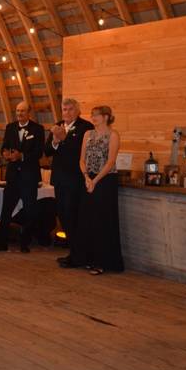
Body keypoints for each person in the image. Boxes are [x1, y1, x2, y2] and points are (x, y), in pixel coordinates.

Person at [44, 98, 94, 267]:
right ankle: (73, 252)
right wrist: (55, 141)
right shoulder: (58, 126)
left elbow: (82, 151)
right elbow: (47, 151)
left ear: (78, 111)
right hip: (59, 179)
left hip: (75, 179)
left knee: (74, 216)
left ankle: (79, 255)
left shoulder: (85, 127)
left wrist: (64, 138)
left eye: (70, 109)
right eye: (64, 109)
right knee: (63, 216)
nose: (67, 112)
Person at [75, 106, 124, 275]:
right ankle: (88, 258)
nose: (93, 118)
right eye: (92, 115)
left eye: (96, 115)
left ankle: (103, 261)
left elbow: (111, 162)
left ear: (106, 117)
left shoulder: (113, 135)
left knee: (103, 221)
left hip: (105, 180)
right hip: (88, 179)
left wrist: (95, 180)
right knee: (87, 220)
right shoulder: (87, 134)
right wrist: (87, 177)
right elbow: (81, 160)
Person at [0, 101, 44, 253]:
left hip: (29, 176)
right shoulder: (10, 127)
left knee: (29, 210)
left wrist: (22, 156)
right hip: (13, 175)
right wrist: (5, 153)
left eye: (22, 111)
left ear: (29, 113)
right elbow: (4, 146)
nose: (19, 114)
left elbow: (39, 152)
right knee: (6, 209)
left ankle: (25, 243)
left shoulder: (37, 129)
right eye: (17, 111)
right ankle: (2, 242)